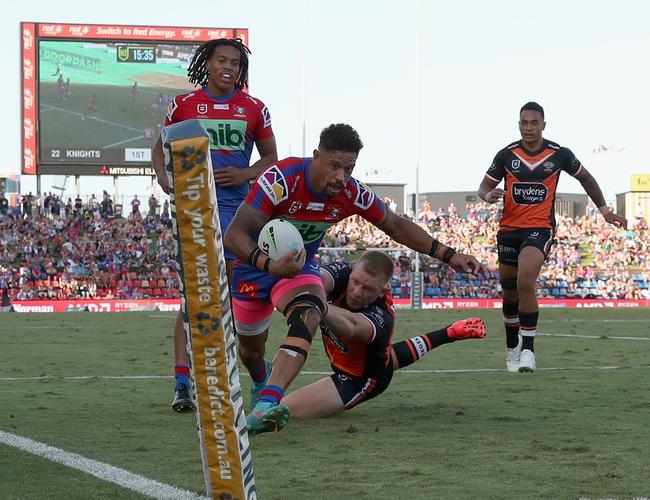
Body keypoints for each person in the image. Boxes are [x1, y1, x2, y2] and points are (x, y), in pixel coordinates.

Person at [224, 123, 486, 435]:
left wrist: (448, 254)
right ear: (316, 157)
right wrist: (266, 263)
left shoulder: (351, 193)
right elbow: (234, 234)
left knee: (308, 310)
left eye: (348, 168)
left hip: (296, 268)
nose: (341, 177)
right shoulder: (281, 180)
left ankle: (267, 403)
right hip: (253, 268)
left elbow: (395, 225)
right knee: (250, 350)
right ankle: (259, 377)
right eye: (334, 166)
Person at [151, 37, 278, 412]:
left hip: (241, 217)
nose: (228, 67)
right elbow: (161, 147)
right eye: (221, 60)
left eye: (235, 63)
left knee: (244, 302)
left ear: (241, 69)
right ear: (207, 64)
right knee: (192, 300)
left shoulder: (254, 108)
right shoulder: (185, 105)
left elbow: (271, 158)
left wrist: (245, 172)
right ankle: (182, 385)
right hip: (196, 213)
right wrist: (163, 176)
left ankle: (258, 377)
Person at [478, 101, 627, 373]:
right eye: (524, 122)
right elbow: (485, 185)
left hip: (540, 228)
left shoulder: (559, 154)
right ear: (519, 124)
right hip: (508, 230)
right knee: (509, 292)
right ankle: (512, 346)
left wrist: (605, 211)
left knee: (525, 280)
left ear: (543, 125)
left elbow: (587, 178)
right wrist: (488, 195)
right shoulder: (505, 155)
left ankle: (528, 352)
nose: (529, 128)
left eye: (534, 122)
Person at [281, 251, 486, 420]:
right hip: (367, 359)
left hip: (360, 380)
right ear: (353, 271)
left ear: (383, 290)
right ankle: (449, 332)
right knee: (385, 356)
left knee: (284, 409)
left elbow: (351, 326)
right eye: (355, 282)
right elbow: (318, 280)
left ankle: (449, 333)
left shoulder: (383, 315)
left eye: (368, 289)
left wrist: (317, 303)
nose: (356, 292)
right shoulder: (346, 272)